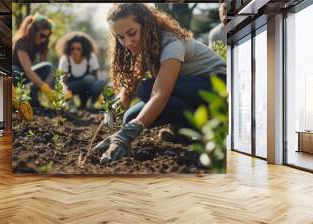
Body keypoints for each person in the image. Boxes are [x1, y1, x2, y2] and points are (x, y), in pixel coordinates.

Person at [93, 3, 226, 164]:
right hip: (190, 91)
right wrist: (113, 116)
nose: (127, 43)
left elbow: (160, 94)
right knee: (131, 117)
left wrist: (127, 135)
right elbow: (128, 91)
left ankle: (206, 131)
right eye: (120, 37)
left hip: (217, 86)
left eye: (131, 33)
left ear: (146, 25)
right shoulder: (144, 47)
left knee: (147, 89)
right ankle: (184, 131)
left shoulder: (171, 43)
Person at [12, 14, 55, 110]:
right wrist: (46, 90)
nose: (44, 39)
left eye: (46, 36)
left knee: (47, 67)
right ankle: (15, 100)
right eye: (42, 35)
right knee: (15, 71)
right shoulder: (21, 42)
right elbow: (28, 71)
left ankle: (33, 100)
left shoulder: (38, 43)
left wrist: (50, 90)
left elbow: (34, 70)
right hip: (14, 74)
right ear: (33, 31)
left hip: (24, 73)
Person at [56, 31, 106, 110]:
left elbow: (95, 80)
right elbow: (63, 81)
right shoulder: (65, 59)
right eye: (72, 49)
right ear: (69, 49)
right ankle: (71, 105)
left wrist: (99, 95)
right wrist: (66, 94)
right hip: (72, 88)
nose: (75, 51)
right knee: (63, 86)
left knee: (97, 82)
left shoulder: (91, 57)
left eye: (78, 49)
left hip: (86, 89)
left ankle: (91, 104)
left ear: (84, 49)